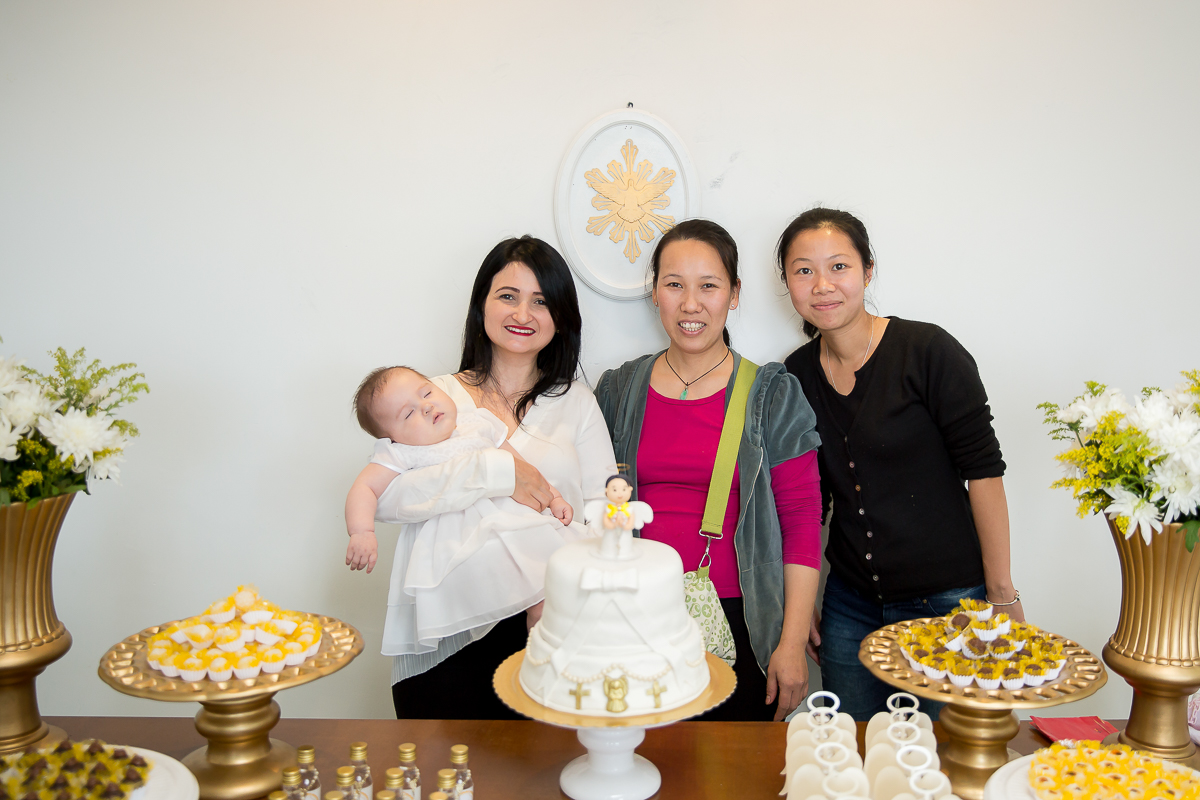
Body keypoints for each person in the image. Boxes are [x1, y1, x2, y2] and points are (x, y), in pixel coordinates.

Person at [777, 207, 1024, 721]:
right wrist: (801, 610)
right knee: (854, 752)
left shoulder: (927, 351)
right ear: (787, 282)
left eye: (838, 267)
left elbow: (984, 472)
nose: (822, 285)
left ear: (868, 271)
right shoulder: (795, 375)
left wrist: (1001, 596)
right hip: (850, 606)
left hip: (950, 602)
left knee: (943, 762)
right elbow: (808, 502)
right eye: (804, 270)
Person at [368, 236, 616, 719]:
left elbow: (604, 511)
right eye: (508, 296)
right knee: (448, 783)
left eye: (541, 301)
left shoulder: (577, 403)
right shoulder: (434, 397)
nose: (523, 313)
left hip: (546, 625)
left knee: (541, 783)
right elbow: (387, 497)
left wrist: (572, 587)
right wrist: (501, 472)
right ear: (481, 303)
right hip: (448, 634)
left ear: (561, 317)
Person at [594, 219, 823, 722]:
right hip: (632, 619)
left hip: (739, 619)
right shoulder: (618, 390)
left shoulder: (772, 395)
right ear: (654, 292)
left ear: (735, 294)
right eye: (674, 285)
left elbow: (803, 520)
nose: (690, 304)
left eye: (709, 286)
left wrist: (790, 641)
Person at [344, 364, 578, 656]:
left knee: (553, 588)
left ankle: (543, 650)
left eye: (427, 392)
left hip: (513, 526)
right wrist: (362, 531)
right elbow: (365, 488)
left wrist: (553, 498)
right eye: (408, 413)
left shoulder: (478, 423)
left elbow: (523, 470)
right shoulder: (401, 453)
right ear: (392, 437)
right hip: (460, 548)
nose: (426, 407)